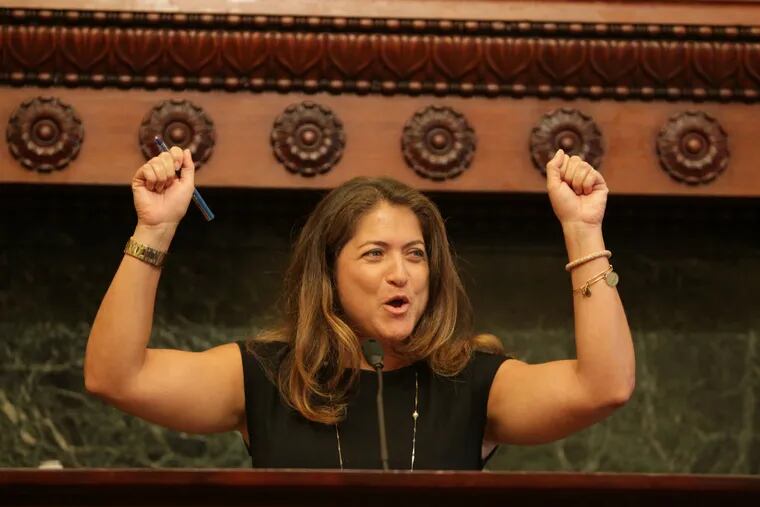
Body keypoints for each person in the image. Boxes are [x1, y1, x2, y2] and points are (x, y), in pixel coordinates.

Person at [84, 146, 635, 470]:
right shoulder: (267, 376)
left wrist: (583, 230)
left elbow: (604, 387)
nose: (401, 273)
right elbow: (115, 376)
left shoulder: (470, 381)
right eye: (375, 254)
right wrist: (155, 228)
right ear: (328, 273)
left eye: (415, 255)